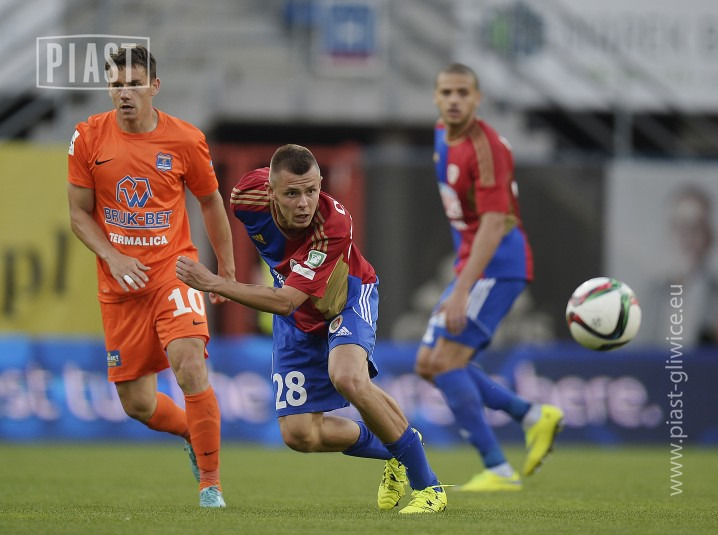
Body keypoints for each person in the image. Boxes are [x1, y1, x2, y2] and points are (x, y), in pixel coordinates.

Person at [176, 144, 447, 514]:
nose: (304, 203)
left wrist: (216, 283)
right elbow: (216, 207)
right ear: (270, 192)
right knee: (300, 435)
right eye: (292, 193)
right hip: (297, 319)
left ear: (321, 184)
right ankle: (398, 444)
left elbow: (285, 301)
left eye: (312, 190)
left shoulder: (333, 224)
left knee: (347, 377)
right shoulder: (246, 198)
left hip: (344, 300)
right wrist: (226, 267)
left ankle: (429, 487)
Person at [67, 46, 235, 507]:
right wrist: (113, 257)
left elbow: (210, 201)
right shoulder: (87, 137)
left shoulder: (185, 139)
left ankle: (211, 485)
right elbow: (78, 215)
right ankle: (193, 434)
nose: (125, 93)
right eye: (117, 85)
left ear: (154, 87)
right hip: (120, 285)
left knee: (190, 364)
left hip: (172, 271)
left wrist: (226, 270)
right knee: (137, 404)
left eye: (134, 84)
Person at [415, 62, 564, 492]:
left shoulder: (487, 148)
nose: (454, 100)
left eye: (463, 92)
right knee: (428, 363)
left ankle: (497, 468)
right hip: (473, 265)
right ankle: (531, 415)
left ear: (478, 99)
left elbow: (495, 224)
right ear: (436, 97)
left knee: (446, 362)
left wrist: (462, 289)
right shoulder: (441, 134)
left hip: (497, 266)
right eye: (447, 92)